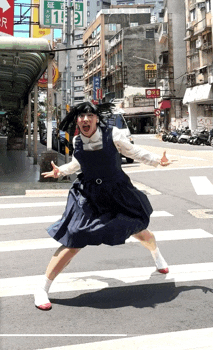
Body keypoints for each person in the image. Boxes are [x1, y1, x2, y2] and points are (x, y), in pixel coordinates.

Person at [34, 101, 172, 311]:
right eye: (81, 116)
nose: (85, 119)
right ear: (77, 120)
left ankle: (157, 256)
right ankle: (42, 288)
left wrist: (157, 160)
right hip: (88, 194)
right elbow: (77, 164)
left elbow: (134, 152)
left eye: (90, 115)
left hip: (116, 192)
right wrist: (60, 171)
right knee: (74, 238)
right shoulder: (78, 140)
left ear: (97, 118)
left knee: (139, 231)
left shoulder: (113, 135)